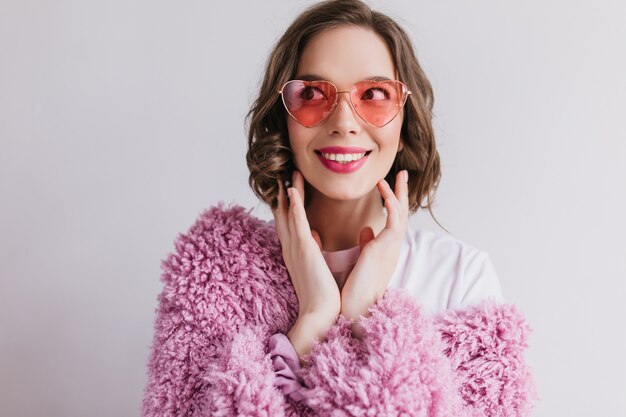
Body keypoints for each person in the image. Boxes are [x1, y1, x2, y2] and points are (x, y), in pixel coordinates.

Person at [142, 1, 536, 415]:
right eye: (312, 93)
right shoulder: (214, 276)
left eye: (375, 94)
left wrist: (365, 317)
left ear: (405, 122)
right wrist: (313, 319)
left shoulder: (460, 280)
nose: (344, 121)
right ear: (284, 120)